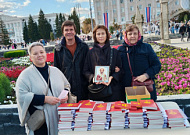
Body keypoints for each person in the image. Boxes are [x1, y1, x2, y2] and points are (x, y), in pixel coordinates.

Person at [16, 42, 70, 135]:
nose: (39, 55)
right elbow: (21, 95)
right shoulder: (25, 75)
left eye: (41, 52)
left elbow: (66, 86)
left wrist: (66, 94)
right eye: (35, 53)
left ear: (45, 53)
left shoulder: (55, 71)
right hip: (41, 122)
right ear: (30, 57)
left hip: (59, 116)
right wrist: (45, 99)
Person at [118, 24, 161, 101]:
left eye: (135, 33)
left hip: (145, 87)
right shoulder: (121, 50)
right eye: (130, 34)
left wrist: (146, 75)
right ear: (126, 35)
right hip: (127, 89)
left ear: (139, 35)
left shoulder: (146, 47)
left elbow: (157, 65)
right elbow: (118, 67)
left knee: (148, 111)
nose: (132, 36)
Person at [83, 25, 125, 102]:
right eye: (98, 34)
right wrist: (93, 78)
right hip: (97, 91)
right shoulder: (90, 53)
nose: (101, 36)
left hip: (113, 91)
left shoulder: (114, 52)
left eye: (103, 33)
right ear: (95, 36)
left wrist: (112, 77)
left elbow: (121, 70)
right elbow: (85, 71)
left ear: (107, 35)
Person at [54, 20, 89, 103]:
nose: (69, 32)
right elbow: (57, 69)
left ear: (75, 31)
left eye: (71, 29)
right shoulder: (58, 49)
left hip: (83, 87)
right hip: (67, 88)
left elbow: (88, 66)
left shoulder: (83, 47)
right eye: (66, 30)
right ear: (63, 32)